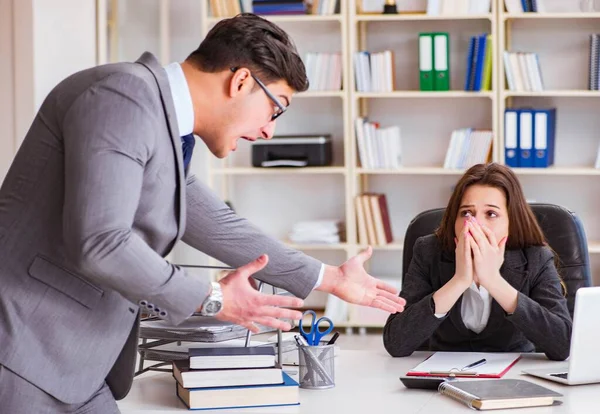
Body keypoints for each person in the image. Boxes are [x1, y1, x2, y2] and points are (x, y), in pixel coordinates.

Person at [0, 13, 405, 413]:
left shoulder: (160, 122)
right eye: (275, 109)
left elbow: (217, 224)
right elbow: (102, 242)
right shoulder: (123, 96)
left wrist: (329, 278)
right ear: (242, 80)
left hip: (72, 361)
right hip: (25, 351)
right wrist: (211, 298)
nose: (270, 131)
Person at [383, 163, 572, 361]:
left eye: (491, 214)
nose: (475, 225)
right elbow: (396, 343)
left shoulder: (535, 258)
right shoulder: (429, 252)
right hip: (443, 374)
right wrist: (459, 280)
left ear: (511, 221)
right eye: (466, 213)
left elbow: (563, 345)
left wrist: (493, 280)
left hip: (512, 376)